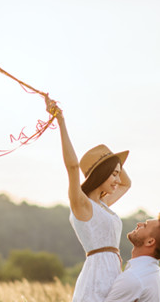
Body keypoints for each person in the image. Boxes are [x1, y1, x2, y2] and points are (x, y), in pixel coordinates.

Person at [45, 95, 132, 302]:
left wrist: (114, 162)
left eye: (118, 174)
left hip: (113, 275)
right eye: (113, 174)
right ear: (100, 175)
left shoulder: (103, 205)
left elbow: (127, 183)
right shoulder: (82, 205)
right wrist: (61, 120)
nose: (118, 180)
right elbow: (73, 167)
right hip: (96, 278)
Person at [104, 213, 160, 302]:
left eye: (145, 226)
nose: (139, 224)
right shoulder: (153, 272)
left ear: (150, 242)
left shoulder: (133, 277)